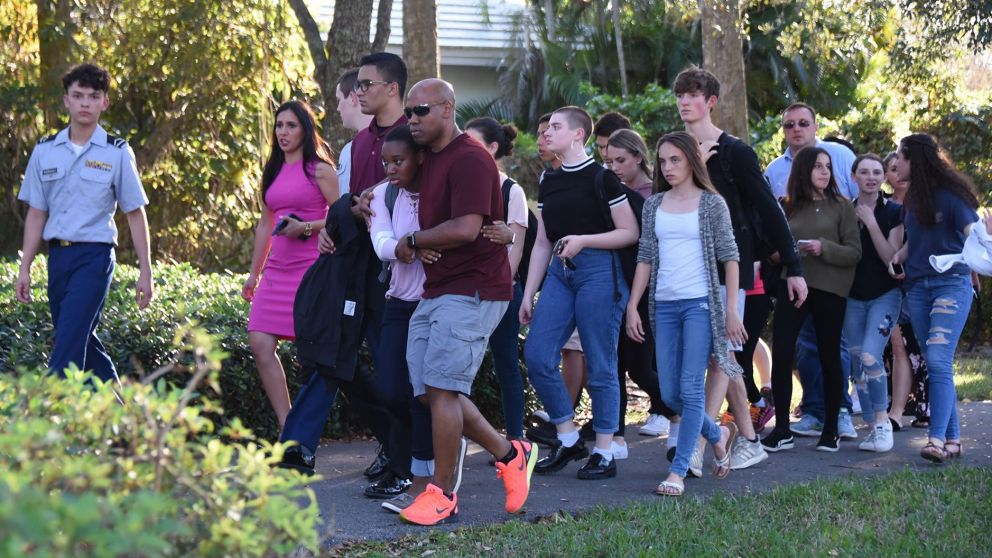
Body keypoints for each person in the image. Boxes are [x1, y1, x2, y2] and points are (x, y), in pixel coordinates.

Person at [397, 79, 536, 526]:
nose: (412, 119)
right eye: (409, 112)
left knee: (441, 390)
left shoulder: (471, 158)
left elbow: (465, 227)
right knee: (431, 391)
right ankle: (510, 453)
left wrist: (415, 240)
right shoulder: (430, 157)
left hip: (474, 288)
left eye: (420, 110)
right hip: (438, 288)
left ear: (447, 108)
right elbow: (392, 173)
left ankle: (443, 495)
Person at [281, 51, 409, 479]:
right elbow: (346, 203)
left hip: (401, 274)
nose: (358, 93)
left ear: (391, 88)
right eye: (356, 87)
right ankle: (297, 450)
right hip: (353, 267)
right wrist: (332, 226)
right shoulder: (356, 146)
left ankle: (408, 453)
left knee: (390, 373)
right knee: (333, 357)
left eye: (365, 85)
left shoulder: (417, 135)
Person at [674, 66, 804, 471]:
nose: (684, 101)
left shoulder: (736, 153)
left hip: (733, 267)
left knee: (720, 357)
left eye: (693, 94)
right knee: (713, 358)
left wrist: (794, 265)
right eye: (680, 94)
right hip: (688, 265)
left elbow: (769, 209)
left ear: (710, 101)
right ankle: (746, 437)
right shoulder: (676, 149)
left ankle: (698, 440)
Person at [16, 62, 153, 386]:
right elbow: (37, 213)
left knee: (66, 349)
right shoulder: (45, 151)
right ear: (66, 100)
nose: (85, 103)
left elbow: (135, 212)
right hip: (58, 259)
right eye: (78, 96)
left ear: (104, 102)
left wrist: (146, 271)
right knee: (79, 340)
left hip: (95, 257)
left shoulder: (117, 152)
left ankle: (51, 422)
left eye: (93, 96)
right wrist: (25, 267)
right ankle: (124, 419)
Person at [520, 106, 639, 480]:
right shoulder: (549, 179)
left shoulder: (602, 179)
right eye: (546, 127)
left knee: (601, 363)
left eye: (555, 127)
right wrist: (528, 294)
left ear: (577, 135)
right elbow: (542, 242)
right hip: (559, 271)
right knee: (537, 353)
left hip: (599, 272)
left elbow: (629, 232)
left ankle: (604, 450)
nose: (546, 134)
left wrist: (584, 240)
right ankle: (568, 437)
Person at [626, 131, 741, 496]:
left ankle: (678, 471)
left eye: (675, 159)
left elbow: (731, 258)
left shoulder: (712, 204)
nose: (668, 167)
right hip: (663, 305)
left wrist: (732, 310)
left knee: (691, 389)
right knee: (671, 393)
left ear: (692, 160)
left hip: (700, 306)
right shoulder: (653, 204)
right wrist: (633, 304)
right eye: (663, 161)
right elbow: (645, 256)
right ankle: (717, 432)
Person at [765, 103, 858, 441]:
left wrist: (823, 247)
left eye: (828, 167)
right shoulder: (787, 205)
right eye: (818, 167)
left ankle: (833, 425)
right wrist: (782, 254)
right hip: (793, 286)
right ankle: (784, 430)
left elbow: (854, 252)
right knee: (785, 352)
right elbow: (771, 249)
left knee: (831, 352)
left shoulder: (842, 205)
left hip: (831, 289)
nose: (824, 171)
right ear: (803, 171)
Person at [243, 101, 337, 432]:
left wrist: (306, 228)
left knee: (310, 355)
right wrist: (254, 273)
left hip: (310, 272)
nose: (283, 132)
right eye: (279, 126)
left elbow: (341, 220)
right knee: (260, 342)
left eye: (291, 125)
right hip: (276, 272)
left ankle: (305, 427)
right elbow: (266, 223)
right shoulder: (273, 169)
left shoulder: (320, 170)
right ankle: (289, 426)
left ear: (306, 130)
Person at [890, 133, 980, 463]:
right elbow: (918, 240)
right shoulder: (914, 199)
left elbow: (975, 239)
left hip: (950, 287)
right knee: (934, 362)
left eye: (900, 155)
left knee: (939, 360)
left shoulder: (953, 198)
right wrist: (899, 256)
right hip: (918, 288)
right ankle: (954, 439)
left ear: (916, 159)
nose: (895, 162)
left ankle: (937, 440)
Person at [365, 125, 432, 509]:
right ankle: (417, 461)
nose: (391, 168)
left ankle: (420, 476)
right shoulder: (383, 194)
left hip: (434, 304)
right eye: (386, 162)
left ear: (420, 157)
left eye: (399, 160)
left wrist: (416, 243)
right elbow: (381, 240)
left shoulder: (439, 190)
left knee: (423, 393)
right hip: (399, 302)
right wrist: (404, 248)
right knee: (392, 390)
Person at [604, 129, 674, 445]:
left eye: (621, 160)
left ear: (638, 157)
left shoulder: (656, 193)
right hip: (616, 286)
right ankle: (614, 433)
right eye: (609, 161)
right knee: (615, 362)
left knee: (639, 366)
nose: (615, 167)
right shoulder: (608, 190)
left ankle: (681, 412)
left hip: (651, 288)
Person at [465, 117, 529, 442]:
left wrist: (496, 293)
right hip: (463, 291)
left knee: (506, 366)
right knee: (462, 370)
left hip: (500, 291)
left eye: (472, 142)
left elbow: (513, 253)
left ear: (492, 148)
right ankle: (459, 439)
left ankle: (516, 441)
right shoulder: (460, 184)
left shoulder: (510, 190)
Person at [843, 154, 904, 452]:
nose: (870, 177)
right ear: (854, 175)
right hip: (852, 297)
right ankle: (870, 425)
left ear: (883, 177)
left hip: (885, 294)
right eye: (864, 172)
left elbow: (891, 257)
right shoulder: (843, 210)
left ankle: (882, 422)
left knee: (870, 356)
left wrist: (870, 222)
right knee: (857, 360)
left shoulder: (894, 211)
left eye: (877, 172)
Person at [883, 151, 929, 429]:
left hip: (922, 282)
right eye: (891, 168)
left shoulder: (925, 204)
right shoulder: (888, 208)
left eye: (898, 165)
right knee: (898, 346)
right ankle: (897, 406)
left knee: (923, 345)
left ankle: (926, 405)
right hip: (895, 284)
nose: (896, 171)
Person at [764, 103, 859, 199]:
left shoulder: (841, 155)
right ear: (783, 130)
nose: (796, 129)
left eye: (803, 123)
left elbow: (863, 197)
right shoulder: (773, 170)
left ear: (815, 127)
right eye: (789, 125)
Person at [334, 68, 374, 196]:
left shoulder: (386, 144)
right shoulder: (347, 149)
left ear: (352, 98)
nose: (338, 108)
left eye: (339, 100)